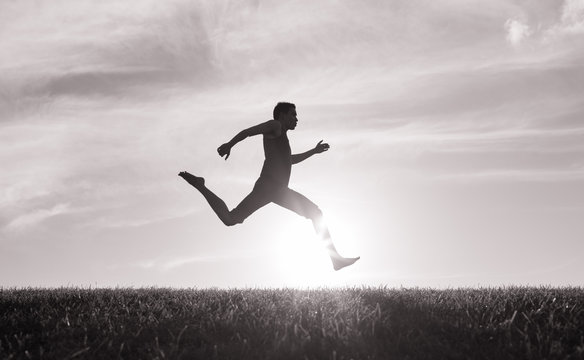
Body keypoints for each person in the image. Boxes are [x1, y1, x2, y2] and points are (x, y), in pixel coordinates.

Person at [179, 102, 360, 271]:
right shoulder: (275, 125)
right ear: (281, 115)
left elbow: (289, 160)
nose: (296, 119)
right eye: (293, 115)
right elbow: (248, 131)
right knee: (316, 213)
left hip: (270, 189)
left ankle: (200, 186)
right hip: (273, 187)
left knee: (230, 218)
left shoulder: (282, 137)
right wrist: (229, 144)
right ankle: (335, 260)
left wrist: (313, 151)